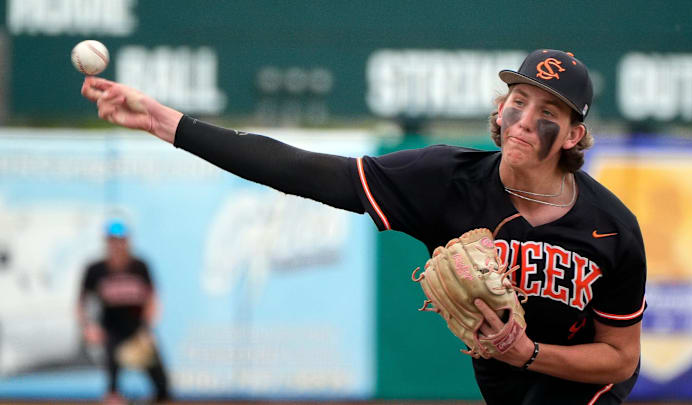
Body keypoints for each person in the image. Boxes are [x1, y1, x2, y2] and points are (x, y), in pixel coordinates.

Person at [80, 49, 646, 404]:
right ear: (499, 110)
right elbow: (300, 170)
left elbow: (620, 358)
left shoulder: (612, 228)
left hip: (584, 385)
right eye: (518, 100)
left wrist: (527, 353)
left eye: (548, 114)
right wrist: (164, 121)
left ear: (573, 136)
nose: (525, 120)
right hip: (503, 385)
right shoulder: (445, 180)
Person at [77, 219, 171, 405]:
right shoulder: (96, 269)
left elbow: (152, 298)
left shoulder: (139, 266)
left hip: (137, 331)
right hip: (110, 332)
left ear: (128, 241)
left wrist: (148, 328)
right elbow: (82, 302)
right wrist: (88, 327)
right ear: (106, 242)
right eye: (113, 240)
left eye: (121, 240)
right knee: (113, 392)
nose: (117, 244)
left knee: (163, 389)